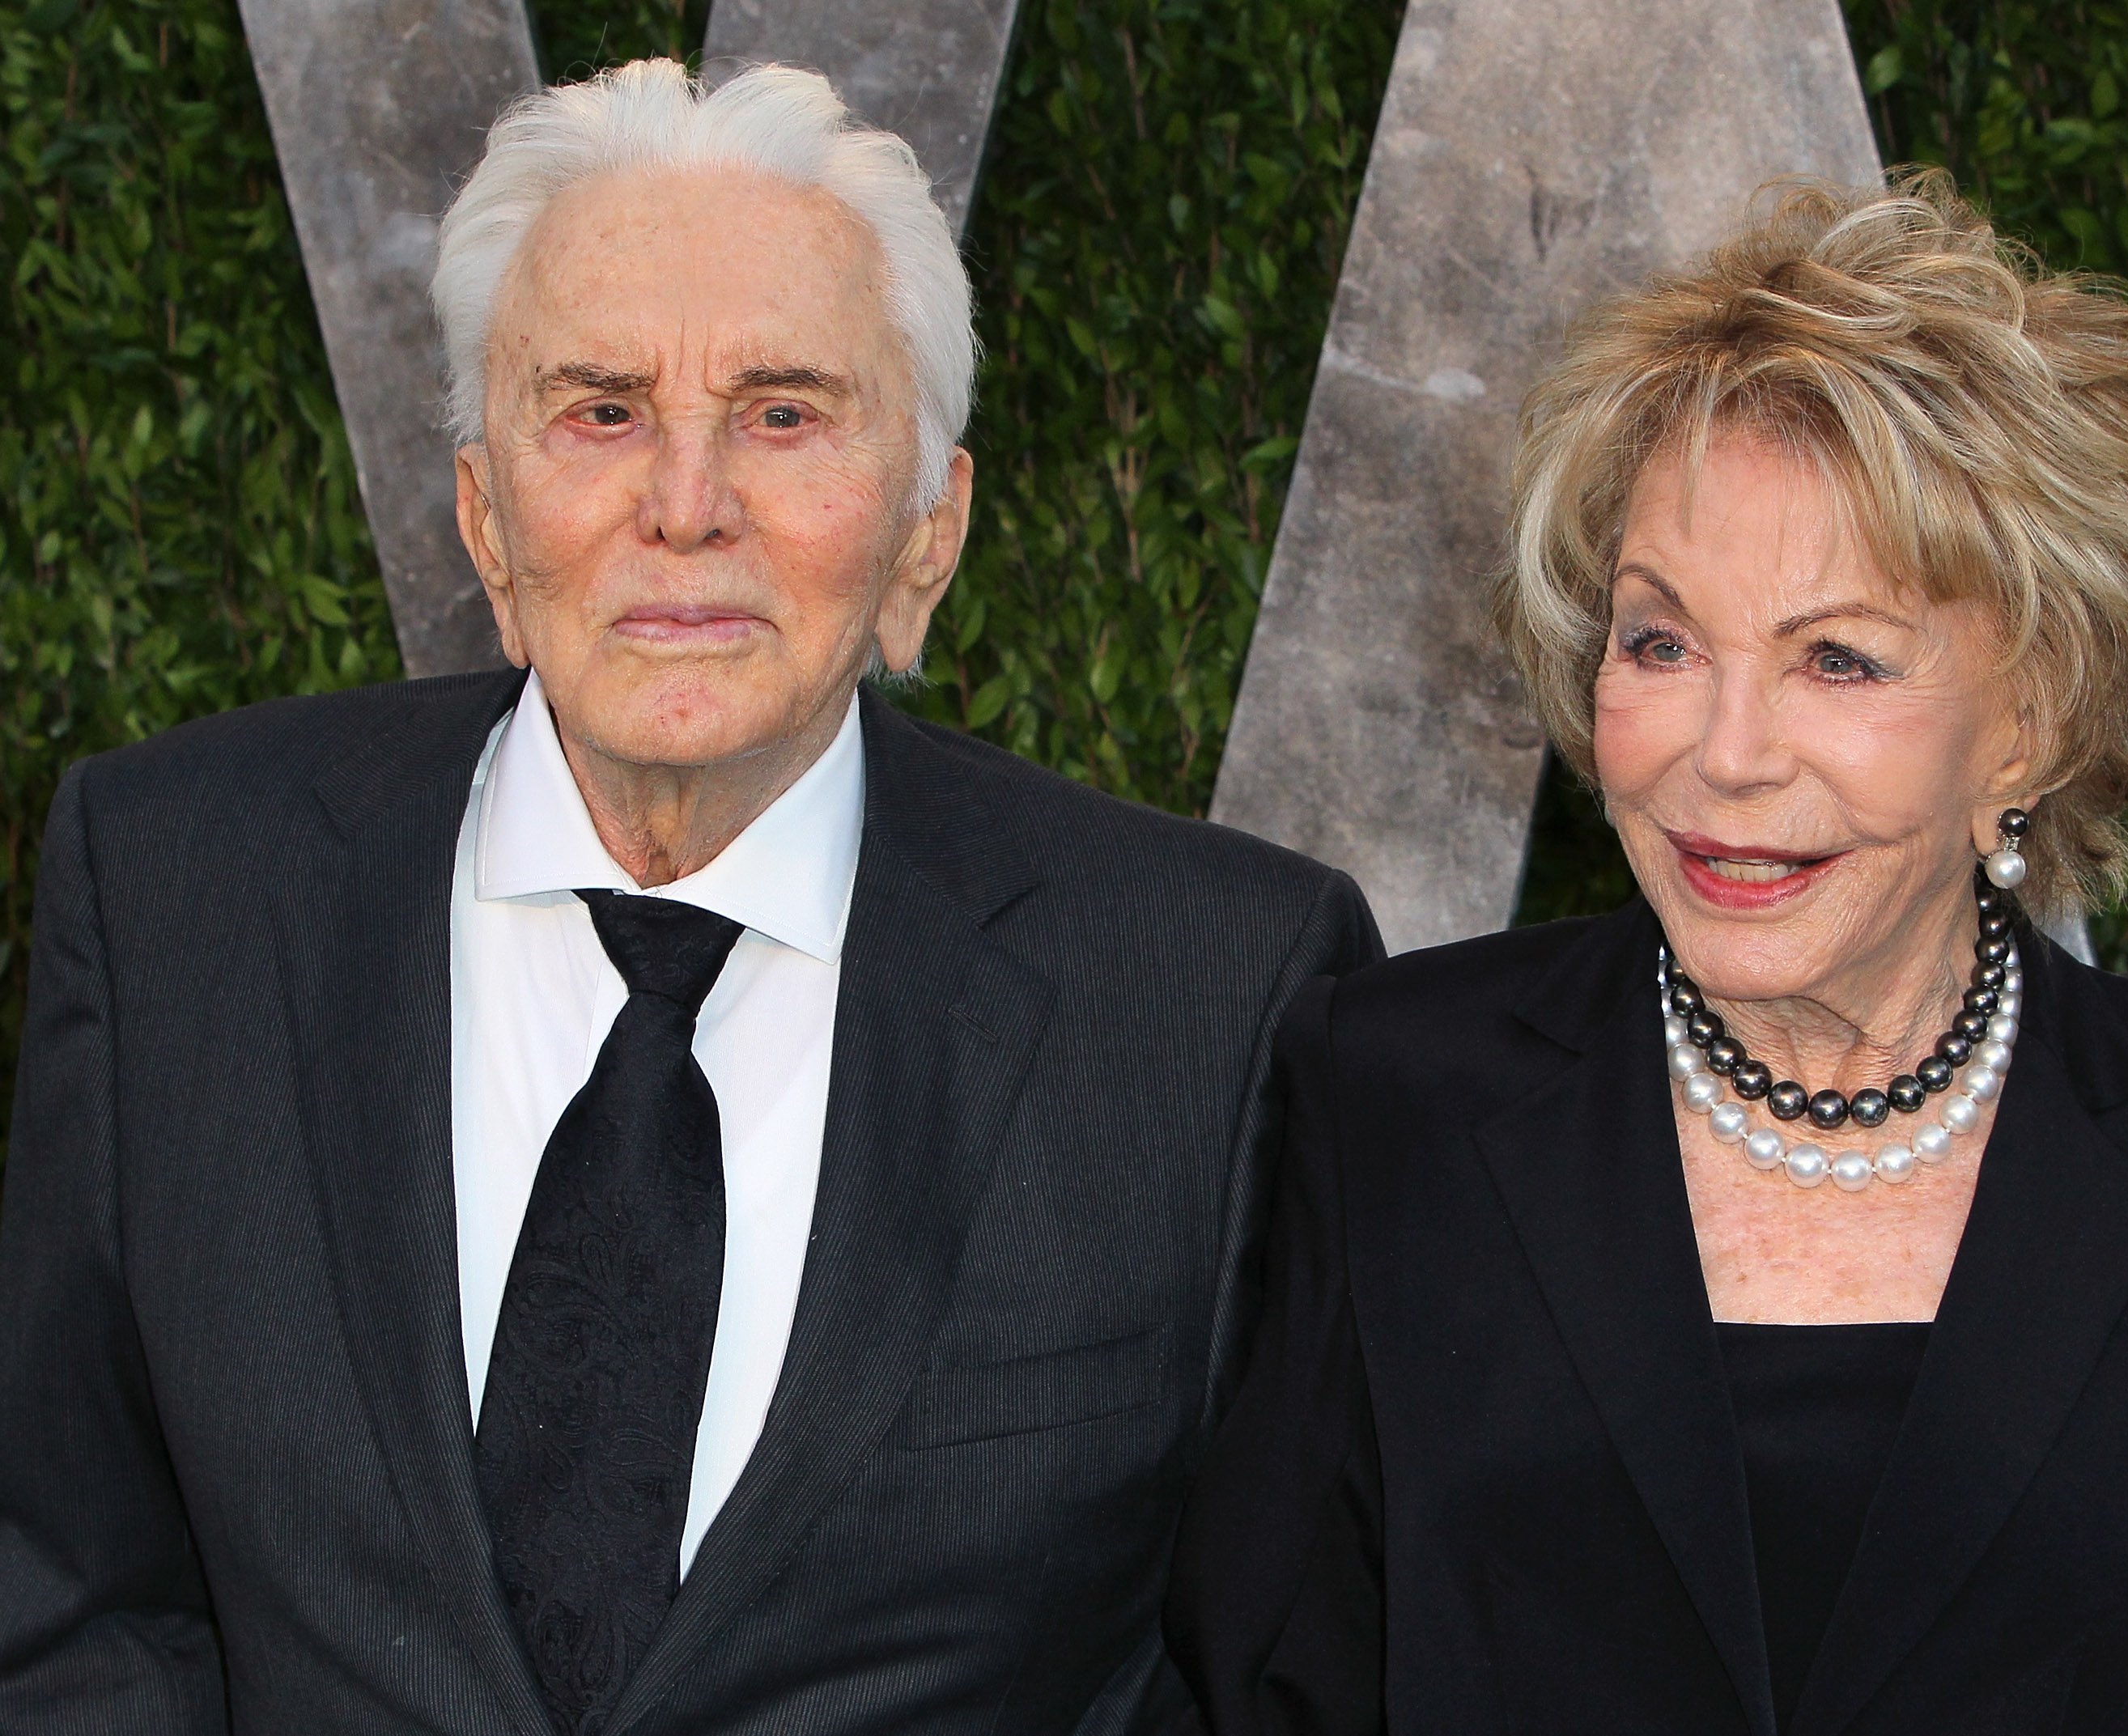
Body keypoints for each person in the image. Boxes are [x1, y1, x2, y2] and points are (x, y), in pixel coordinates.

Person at [0, 59, 1378, 1734]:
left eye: (784, 412)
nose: (686, 503)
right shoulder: (170, 893)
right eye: (600, 410)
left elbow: (1274, 1669)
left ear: (927, 533)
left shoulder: (1220, 993)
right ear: (486, 521)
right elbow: (71, 1595)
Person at [1166, 172, 2128, 1735]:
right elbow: (1259, 1689)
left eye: (1839, 658)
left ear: (2031, 719)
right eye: (1661, 642)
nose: (1724, 753)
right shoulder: (1388, 1092)